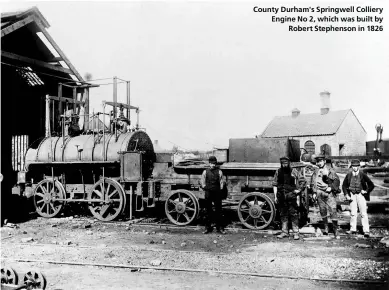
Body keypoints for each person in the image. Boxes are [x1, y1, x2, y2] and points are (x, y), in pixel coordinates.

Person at [273, 156, 306, 240]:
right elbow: (275, 184)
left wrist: (298, 190)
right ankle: (284, 232)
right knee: (283, 214)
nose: (284, 165)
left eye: (286, 163)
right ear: (281, 164)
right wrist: (275, 196)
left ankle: (296, 232)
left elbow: (302, 181)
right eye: (283, 163)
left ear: (289, 163)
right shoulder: (278, 172)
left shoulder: (294, 171)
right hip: (281, 196)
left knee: (294, 214)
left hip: (291, 196)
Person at [310, 154, 341, 238]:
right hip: (319, 193)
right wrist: (313, 192)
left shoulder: (330, 170)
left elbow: (337, 181)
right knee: (322, 211)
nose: (319, 163)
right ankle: (326, 228)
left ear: (324, 161)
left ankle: (335, 230)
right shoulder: (316, 171)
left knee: (333, 210)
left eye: (320, 161)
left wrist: (330, 187)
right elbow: (312, 182)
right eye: (317, 162)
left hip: (329, 193)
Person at [342, 159, 374, 238]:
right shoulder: (349, 175)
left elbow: (371, 185)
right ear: (351, 166)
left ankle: (366, 231)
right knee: (353, 213)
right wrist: (346, 195)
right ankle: (353, 229)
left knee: (363, 213)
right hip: (352, 195)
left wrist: (366, 191)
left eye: (356, 166)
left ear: (359, 166)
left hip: (361, 195)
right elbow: (344, 186)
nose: (355, 168)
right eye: (353, 166)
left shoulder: (362, 174)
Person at [200, 156, 226, 234]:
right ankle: (207, 228)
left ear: (216, 164)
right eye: (211, 164)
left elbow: (222, 182)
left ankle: (219, 228)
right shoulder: (205, 172)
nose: (213, 165)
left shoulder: (219, 172)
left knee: (218, 211)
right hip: (208, 193)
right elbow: (202, 181)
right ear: (209, 163)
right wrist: (205, 187)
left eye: (214, 164)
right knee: (208, 211)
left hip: (217, 193)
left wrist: (219, 189)